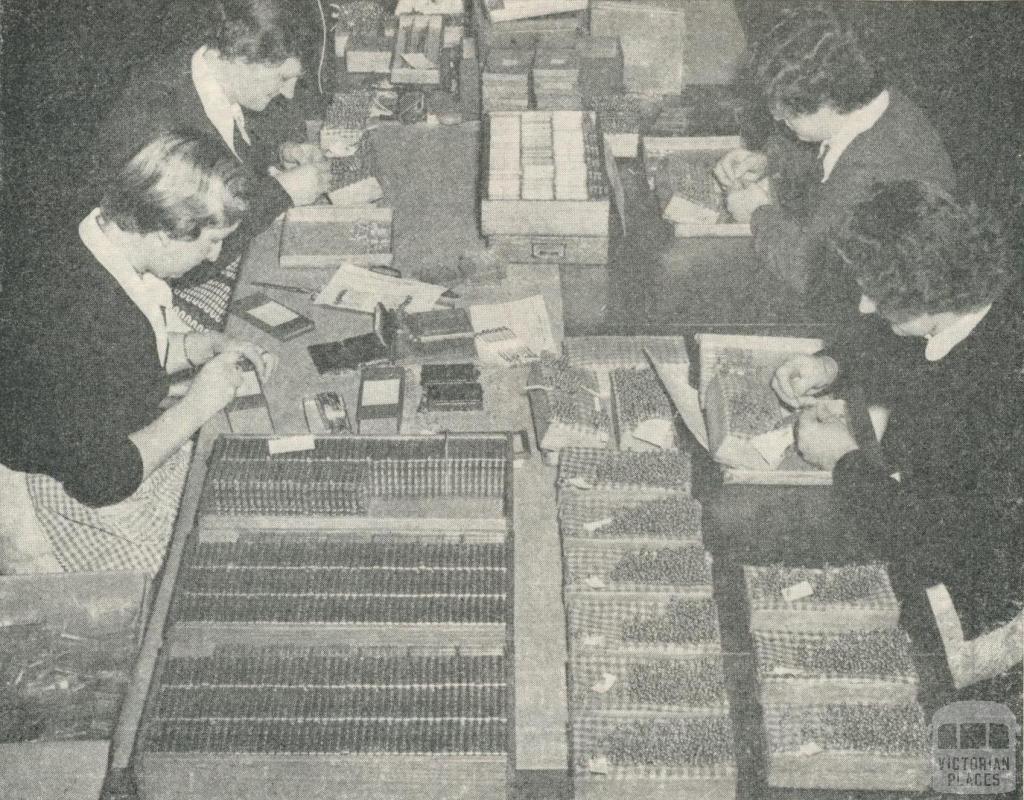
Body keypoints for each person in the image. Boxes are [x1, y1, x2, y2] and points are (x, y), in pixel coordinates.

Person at [772, 181, 1023, 688]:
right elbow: (897, 339)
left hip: (984, 600)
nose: (865, 306)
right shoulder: (972, 301)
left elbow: (934, 536)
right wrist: (830, 363)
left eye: (878, 295)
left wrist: (843, 460)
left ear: (927, 293)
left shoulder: (996, 392)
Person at [0, 132, 277, 575]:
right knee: (213, 562)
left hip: (89, 437)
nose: (216, 255)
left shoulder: (96, 233)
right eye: (210, 241)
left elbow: (119, 362)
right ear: (166, 234)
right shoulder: (87, 319)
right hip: (53, 487)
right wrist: (195, 407)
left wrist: (200, 346)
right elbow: (102, 480)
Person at [87, 0, 331, 330]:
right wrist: (281, 192)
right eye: (283, 77)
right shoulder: (159, 119)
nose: (288, 93)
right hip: (163, 290)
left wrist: (279, 152)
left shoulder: (205, 71)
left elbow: (226, 149)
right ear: (246, 59)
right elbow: (191, 255)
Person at [714, 6, 955, 315]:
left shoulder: (872, 167)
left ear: (828, 101)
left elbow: (812, 271)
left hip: (881, 311)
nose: (777, 117)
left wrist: (757, 213)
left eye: (787, 111)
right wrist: (768, 160)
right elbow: (824, 147)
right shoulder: (873, 106)